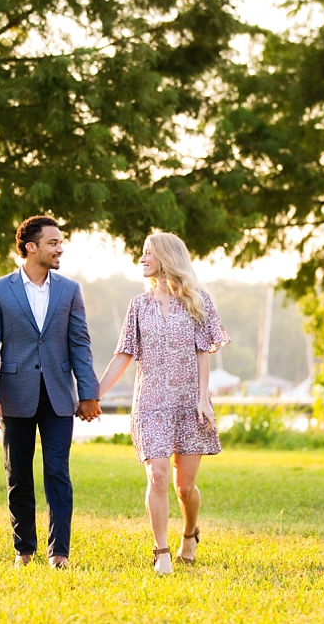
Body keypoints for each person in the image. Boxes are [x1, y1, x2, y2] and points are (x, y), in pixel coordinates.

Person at [98, 232, 230, 574]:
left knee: (184, 486)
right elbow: (123, 354)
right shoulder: (138, 306)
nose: (141, 259)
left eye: (148, 253)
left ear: (167, 257)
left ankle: (190, 533)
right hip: (150, 402)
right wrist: (94, 393)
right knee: (156, 475)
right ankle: (161, 551)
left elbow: (204, 350)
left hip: (189, 402)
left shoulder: (197, 300)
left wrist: (203, 398)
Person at [0, 215, 102, 569]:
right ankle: (24, 549)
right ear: (31, 247)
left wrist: (88, 392)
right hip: (15, 394)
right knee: (18, 474)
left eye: (60, 242)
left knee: (57, 472)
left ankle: (59, 553)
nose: (59, 248)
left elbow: (80, 344)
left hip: (59, 395)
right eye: (53, 243)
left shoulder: (69, 290)